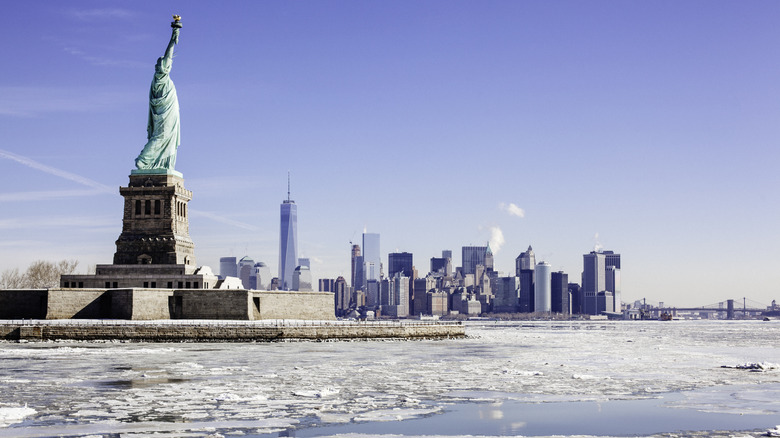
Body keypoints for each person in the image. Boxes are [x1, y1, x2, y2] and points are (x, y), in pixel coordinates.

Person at [135, 24, 181, 171]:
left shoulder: (159, 80)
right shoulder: (161, 77)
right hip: (164, 114)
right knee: (161, 136)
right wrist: (172, 40)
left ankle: (161, 164)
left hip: (168, 112)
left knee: (165, 137)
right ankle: (143, 160)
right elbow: (168, 56)